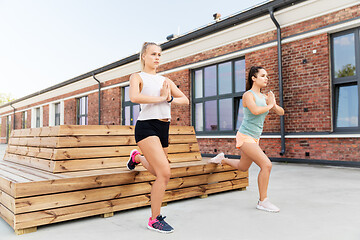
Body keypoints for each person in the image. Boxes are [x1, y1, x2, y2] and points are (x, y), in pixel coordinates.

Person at [126, 42, 189, 233]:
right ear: (144, 56)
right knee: (164, 173)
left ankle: (136, 157)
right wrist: (161, 98)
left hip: (164, 127)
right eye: (153, 54)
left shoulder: (165, 80)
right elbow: (135, 97)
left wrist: (169, 98)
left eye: (159, 55)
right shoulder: (137, 77)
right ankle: (154, 219)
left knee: (157, 170)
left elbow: (185, 100)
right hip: (146, 126)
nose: (157, 58)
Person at [210, 66, 284, 212]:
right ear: (253, 78)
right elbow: (255, 111)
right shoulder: (248, 95)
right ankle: (263, 201)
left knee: (243, 167)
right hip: (245, 136)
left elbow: (281, 112)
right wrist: (270, 105)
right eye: (263, 75)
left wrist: (273, 104)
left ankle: (222, 159)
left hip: (255, 138)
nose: (266, 78)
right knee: (266, 165)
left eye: (267, 75)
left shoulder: (265, 98)